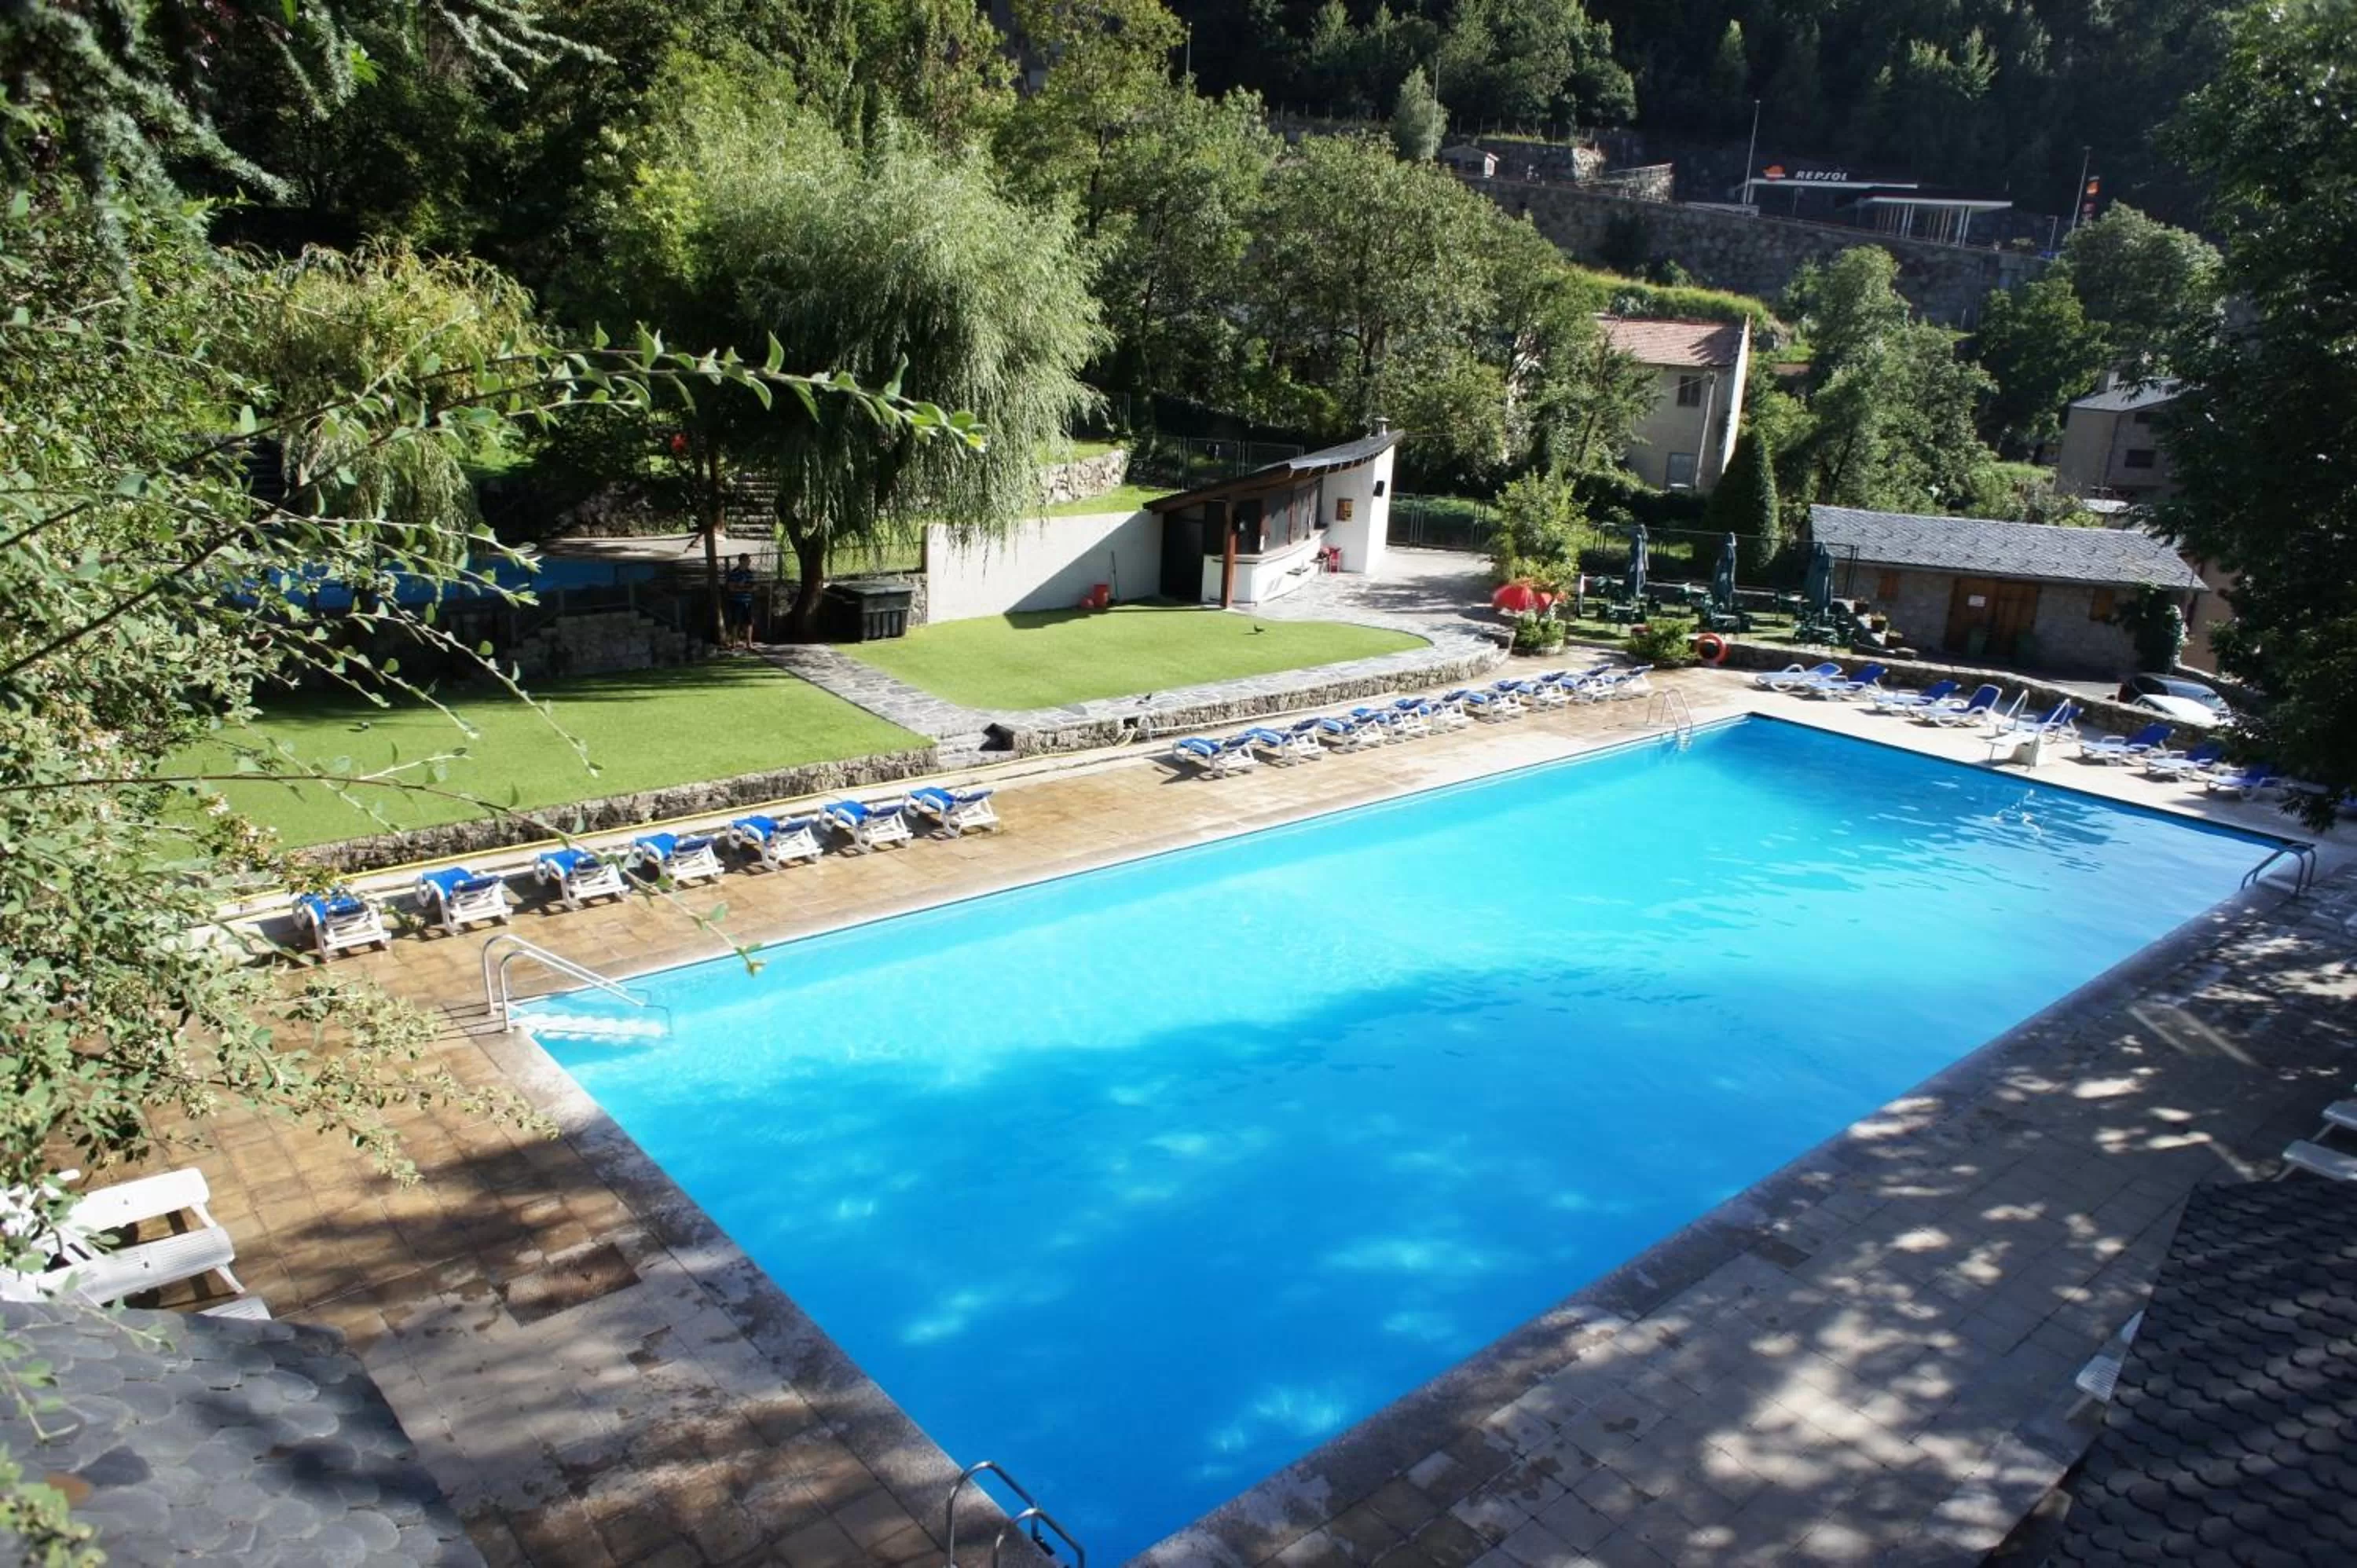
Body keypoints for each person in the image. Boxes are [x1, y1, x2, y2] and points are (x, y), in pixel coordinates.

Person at [725, 555, 757, 647]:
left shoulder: (749, 573)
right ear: (742, 561)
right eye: (747, 560)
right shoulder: (734, 573)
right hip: (737, 601)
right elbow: (731, 588)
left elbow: (752, 586)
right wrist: (743, 588)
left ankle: (749, 643)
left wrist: (753, 588)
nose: (749, 562)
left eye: (749, 561)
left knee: (749, 622)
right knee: (735, 622)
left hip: (748, 601)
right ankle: (734, 642)